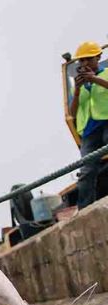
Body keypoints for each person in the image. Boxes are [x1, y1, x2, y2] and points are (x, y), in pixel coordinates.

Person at [70, 41, 108, 209]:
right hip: (89, 131)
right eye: (81, 61)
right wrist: (77, 90)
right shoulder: (78, 86)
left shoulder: (106, 74)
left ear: (98, 57)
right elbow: (73, 112)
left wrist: (95, 79)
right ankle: (84, 209)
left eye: (88, 59)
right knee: (86, 171)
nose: (84, 64)